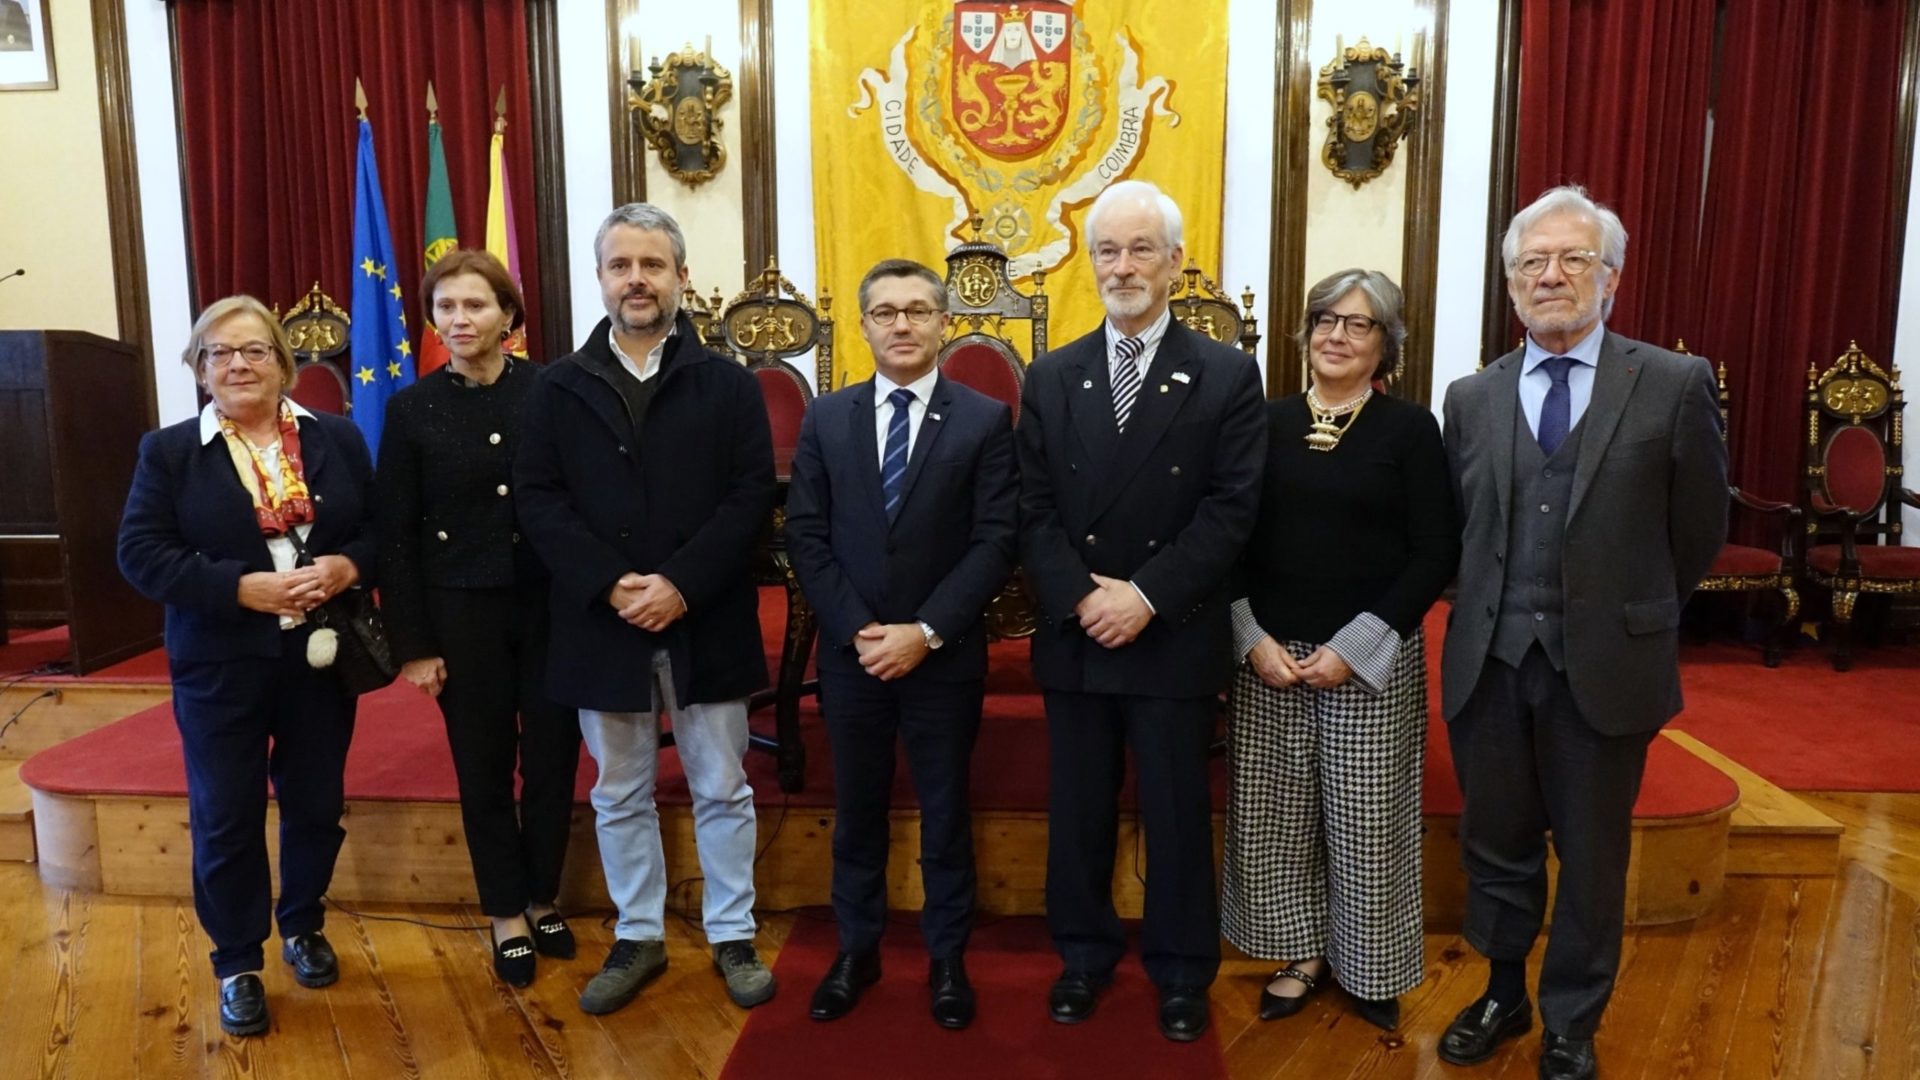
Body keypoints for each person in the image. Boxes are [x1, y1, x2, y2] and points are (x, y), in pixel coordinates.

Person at [1438, 186, 1727, 1080]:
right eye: (1533, 263)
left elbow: (1699, 529)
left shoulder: (1674, 384)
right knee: (1496, 844)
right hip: (1489, 663)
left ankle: (1572, 1017)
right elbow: (1461, 528)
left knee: (1593, 856)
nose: (1551, 276)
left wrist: (1627, 611)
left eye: (1573, 260)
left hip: (1605, 666)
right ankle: (1501, 992)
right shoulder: (1471, 396)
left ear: (1611, 279)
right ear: (1512, 284)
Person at [1016, 179, 1266, 1042]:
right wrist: (1085, 599)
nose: (1123, 267)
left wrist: (1146, 596)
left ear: (1176, 262)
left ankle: (1182, 970)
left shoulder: (1228, 373)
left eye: (1140, 250)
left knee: (1175, 811)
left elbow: (1233, 510)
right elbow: (1033, 508)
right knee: (1078, 810)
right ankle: (1082, 957)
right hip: (1081, 632)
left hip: (1172, 631)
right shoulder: (1050, 375)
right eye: (1107, 252)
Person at [514, 203, 779, 1016]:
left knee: (722, 784)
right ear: (599, 279)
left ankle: (732, 930)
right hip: (603, 620)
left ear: (682, 277)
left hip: (706, 615)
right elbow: (539, 499)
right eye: (621, 265)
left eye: (653, 265)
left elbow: (749, 498)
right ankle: (640, 934)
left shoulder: (728, 383)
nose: (637, 279)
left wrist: (680, 584)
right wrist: (611, 583)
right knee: (620, 788)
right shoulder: (554, 387)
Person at [117, 295, 378, 1036]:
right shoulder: (167, 453)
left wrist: (344, 567)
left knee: (316, 804)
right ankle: (238, 961)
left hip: (320, 658)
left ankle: (302, 924)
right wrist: (238, 587)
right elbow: (140, 555)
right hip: (221, 662)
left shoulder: (339, 439)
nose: (238, 364)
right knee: (227, 815)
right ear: (201, 370)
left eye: (254, 350)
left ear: (283, 362)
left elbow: (381, 530)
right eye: (220, 353)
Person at [1220, 269, 1458, 1032]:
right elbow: (1227, 540)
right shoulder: (1263, 421)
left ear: (1386, 343)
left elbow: (1435, 552)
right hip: (1271, 661)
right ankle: (1300, 953)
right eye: (1326, 318)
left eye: (1359, 325)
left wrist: (1355, 648)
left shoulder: (1410, 430)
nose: (1337, 335)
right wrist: (1249, 639)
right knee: (1277, 817)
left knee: (1367, 819)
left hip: (1370, 657)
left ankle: (1368, 963)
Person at [785, 258, 1018, 1030]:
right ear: (863, 325)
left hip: (941, 657)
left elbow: (995, 541)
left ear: (944, 323)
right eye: (885, 312)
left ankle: (947, 957)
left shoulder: (984, 420)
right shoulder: (828, 417)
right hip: (854, 658)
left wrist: (924, 632)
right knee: (857, 811)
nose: (903, 326)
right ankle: (858, 949)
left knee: (946, 811)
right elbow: (807, 538)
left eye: (918, 311)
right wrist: (859, 631)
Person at [375, 250, 583, 988]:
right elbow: (393, 535)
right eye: (446, 309)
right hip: (459, 611)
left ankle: (542, 894)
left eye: (476, 306)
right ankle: (505, 911)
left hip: (551, 607)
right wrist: (413, 644)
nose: (460, 320)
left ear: (510, 318)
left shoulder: (552, 391)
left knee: (554, 761)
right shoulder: (410, 409)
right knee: (485, 764)